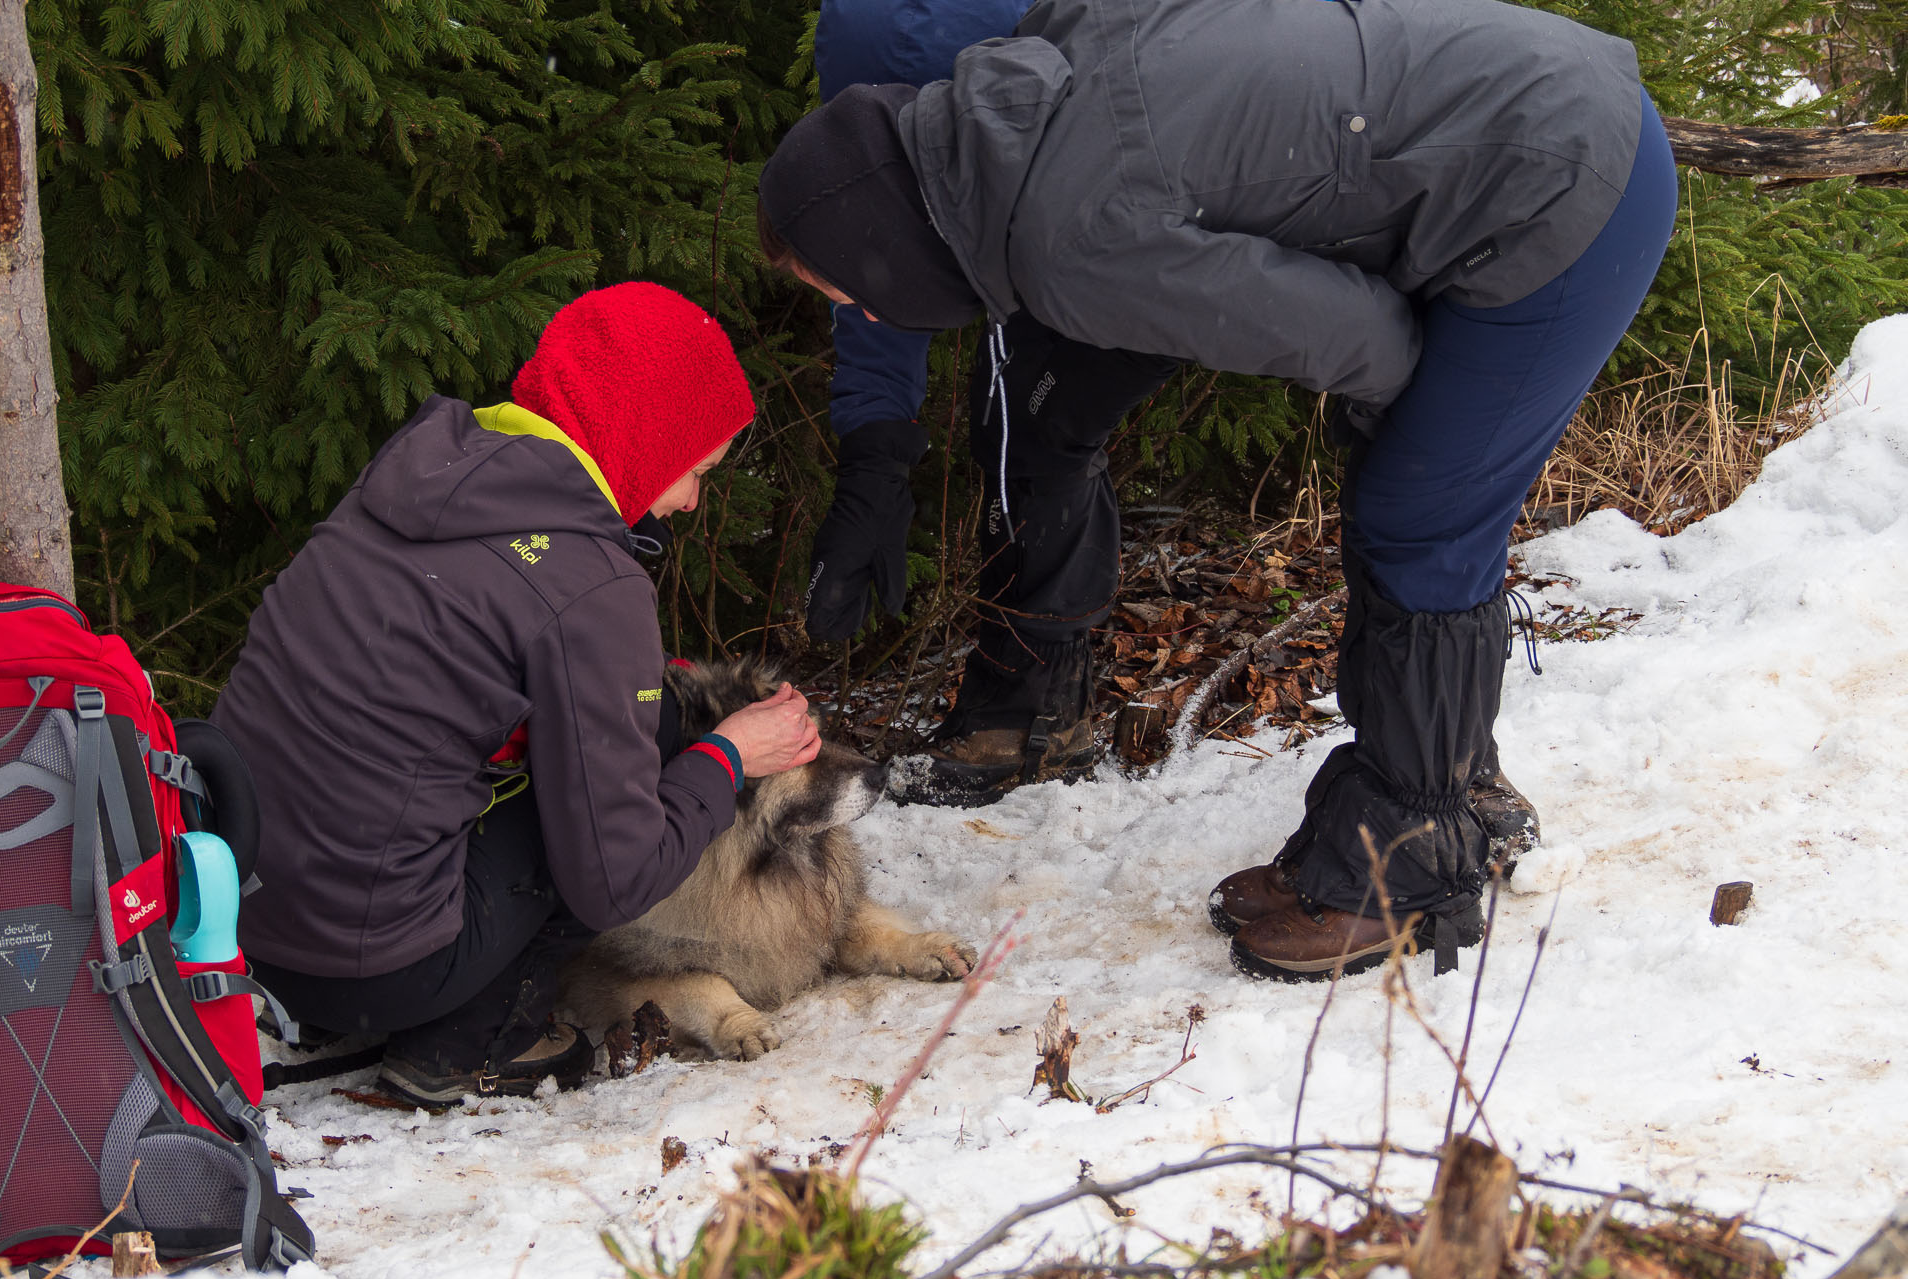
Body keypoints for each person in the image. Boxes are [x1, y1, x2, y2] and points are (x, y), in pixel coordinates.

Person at [757, 0, 1679, 978]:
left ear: (887, 253)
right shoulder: (1029, 91)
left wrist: (1422, 437)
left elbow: (1358, 340)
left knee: (1421, 511)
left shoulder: (1066, 241)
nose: (863, 314)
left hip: (1560, 184)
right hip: (1533, 107)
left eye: (851, 294)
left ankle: (1412, 860)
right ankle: (1447, 781)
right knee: (1410, 490)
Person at [210, 283, 823, 1104]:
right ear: (643, 440)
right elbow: (617, 875)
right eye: (695, 471)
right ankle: (475, 1043)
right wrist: (727, 754)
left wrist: (653, 698)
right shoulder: (588, 583)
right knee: (595, 822)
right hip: (373, 969)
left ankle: (378, 997)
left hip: (244, 928)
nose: (689, 502)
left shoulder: (420, 476)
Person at [802, 0, 1141, 812]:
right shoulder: (865, 33)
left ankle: (1034, 709)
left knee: (1034, 415)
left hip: (1129, 198)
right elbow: (870, 249)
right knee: (1022, 409)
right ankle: (1029, 699)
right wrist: (875, 450)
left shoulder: (1066, 48)